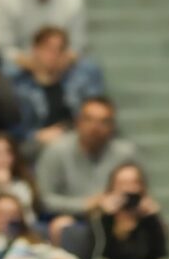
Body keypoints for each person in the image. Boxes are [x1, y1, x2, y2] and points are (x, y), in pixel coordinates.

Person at [36, 97, 138, 244]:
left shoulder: (126, 153)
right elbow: (44, 200)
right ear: (78, 122)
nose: (95, 127)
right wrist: (86, 205)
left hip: (113, 220)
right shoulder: (57, 151)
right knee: (66, 229)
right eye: (89, 119)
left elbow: (138, 190)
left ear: (113, 126)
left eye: (103, 121)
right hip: (71, 220)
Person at [12, 26, 105, 154]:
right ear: (36, 50)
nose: (54, 55)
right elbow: (10, 129)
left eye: (60, 49)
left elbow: (95, 107)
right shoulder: (20, 85)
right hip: (35, 144)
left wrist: (75, 61)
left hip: (73, 142)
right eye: (49, 49)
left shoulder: (77, 82)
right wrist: (37, 135)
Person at [93, 163, 167, 259]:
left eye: (133, 183)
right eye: (122, 184)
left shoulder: (149, 219)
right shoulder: (103, 220)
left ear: (142, 187)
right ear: (112, 187)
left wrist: (152, 219)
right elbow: (96, 255)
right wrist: (106, 217)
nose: (128, 189)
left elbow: (159, 255)